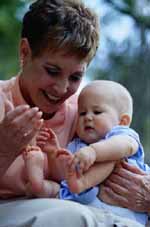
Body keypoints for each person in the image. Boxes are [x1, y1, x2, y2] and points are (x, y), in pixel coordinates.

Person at [0, 0, 107, 226]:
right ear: (25, 52)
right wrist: (4, 149)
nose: (61, 89)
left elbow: (122, 160)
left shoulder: (84, 112)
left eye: (75, 77)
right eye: (52, 71)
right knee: (74, 216)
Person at [58, 80, 148, 226]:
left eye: (97, 112)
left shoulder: (122, 135)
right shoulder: (77, 146)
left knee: (112, 158)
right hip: (90, 216)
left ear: (122, 121)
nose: (88, 117)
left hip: (128, 219)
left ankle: (83, 183)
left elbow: (125, 146)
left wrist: (93, 151)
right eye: (82, 113)